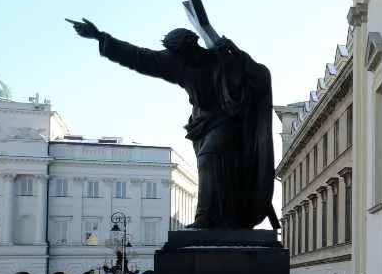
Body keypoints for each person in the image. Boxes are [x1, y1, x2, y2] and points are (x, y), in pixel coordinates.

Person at [68, 18, 276, 230]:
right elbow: (139, 57)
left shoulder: (219, 57)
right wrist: (100, 37)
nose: (180, 59)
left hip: (227, 119)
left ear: (192, 45)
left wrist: (237, 54)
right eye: (176, 55)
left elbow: (260, 76)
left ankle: (207, 218)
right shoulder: (175, 62)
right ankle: (224, 218)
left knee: (209, 158)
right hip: (203, 123)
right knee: (216, 166)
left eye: (183, 53)